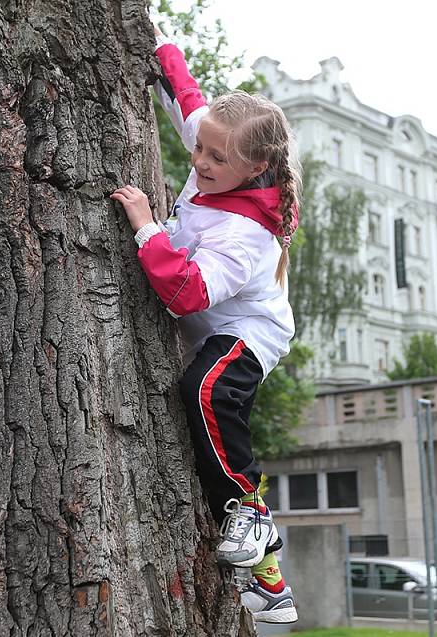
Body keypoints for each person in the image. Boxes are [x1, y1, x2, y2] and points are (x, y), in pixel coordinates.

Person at [110, 27, 300, 625]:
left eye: (217, 160)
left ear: (256, 166)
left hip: (248, 334)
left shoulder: (245, 235)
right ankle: (270, 586)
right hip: (215, 326)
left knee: (206, 390)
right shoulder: (216, 141)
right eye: (201, 150)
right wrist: (154, 34)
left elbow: (187, 293)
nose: (200, 163)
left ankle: (251, 514)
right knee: (200, 425)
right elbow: (183, 93)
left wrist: (147, 227)